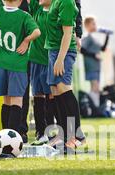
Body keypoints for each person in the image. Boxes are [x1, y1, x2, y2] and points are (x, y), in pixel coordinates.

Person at [0, 0, 40, 135]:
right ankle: (12, 135)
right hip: (18, 64)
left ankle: (4, 134)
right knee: (17, 99)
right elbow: (37, 32)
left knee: (6, 100)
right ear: (20, 1)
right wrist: (26, 40)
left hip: (1, 63)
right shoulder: (24, 15)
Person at [45, 0, 86, 150]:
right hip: (53, 50)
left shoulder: (67, 2)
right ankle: (63, 134)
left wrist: (60, 59)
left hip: (64, 52)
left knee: (63, 88)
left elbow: (68, 33)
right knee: (56, 90)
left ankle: (75, 135)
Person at [27, 0, 57, 146]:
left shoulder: (56, 11)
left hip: (50, 59)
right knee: (37, 94)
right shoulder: (36, 10)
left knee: (51, 94)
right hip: (35, 60)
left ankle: (51, 131)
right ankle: (40, 132)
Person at [81, 16, 110, 108]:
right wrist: (94, 55)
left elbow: (103, 48)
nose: (95, 26)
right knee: (95, 87)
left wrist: (107, 36)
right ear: (87, 25)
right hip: (91, 66)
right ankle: (93, 107)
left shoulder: (94, 38)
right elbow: (82, 50)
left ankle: (95, 107)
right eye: (93, 24)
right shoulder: (87, 37)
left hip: (97, 66)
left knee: (96, 88)